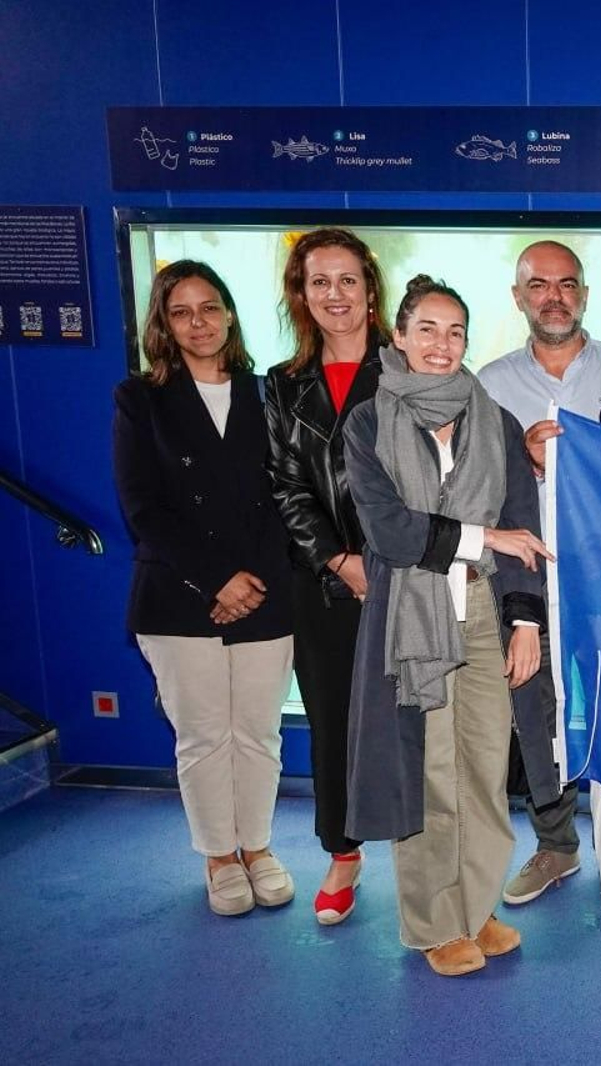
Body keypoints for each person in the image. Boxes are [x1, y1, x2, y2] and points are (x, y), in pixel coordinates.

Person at [342, 275, 559, 977]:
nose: (442, 344)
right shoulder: (368, 423)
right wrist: (482, 537)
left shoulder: (493, 420)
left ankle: (477, 907)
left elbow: (522, 525)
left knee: (486, 770)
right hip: (411, 618)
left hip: (486, 614)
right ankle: (436, 923)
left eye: (455, 331)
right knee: (429, 774)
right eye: (427, 329)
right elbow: (392, 531)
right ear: (399, 337)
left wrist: (525, 623)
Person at [112, 260, 295, 917]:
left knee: (258, 734)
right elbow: (143, 507)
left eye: (209, 307)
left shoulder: (267, 393)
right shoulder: (140, 399)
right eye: (181, 312)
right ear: (163, 324)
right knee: (203, 737)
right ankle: (220, 856)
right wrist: (217, 580)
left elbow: (287, 498)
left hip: (265, 592)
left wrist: (251, 582)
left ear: (229, 314)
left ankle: (258, 848)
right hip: (176, 598)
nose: (199, 322)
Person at [478, 240, 601, 910]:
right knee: (534, 713)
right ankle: (555, 845)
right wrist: (518, 456)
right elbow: (471, 485)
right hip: (525, 582)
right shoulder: (489, 383)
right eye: (540, 285)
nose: (555, 297)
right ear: (519, 296)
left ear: (585, 294)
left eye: (567, 284)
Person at [264, 228, 389, 925]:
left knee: (421, 723)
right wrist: (341, 560)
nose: (334, 294)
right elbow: (285, 485)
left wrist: (386, 559)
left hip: (407, 575)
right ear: (301, 295)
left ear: (370, 290)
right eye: (320, 281)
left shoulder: (408, 366)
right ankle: (343, 853)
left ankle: (434, 859)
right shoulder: (282, 385)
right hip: (321, 582)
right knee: (333, 721)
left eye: (347, 280)